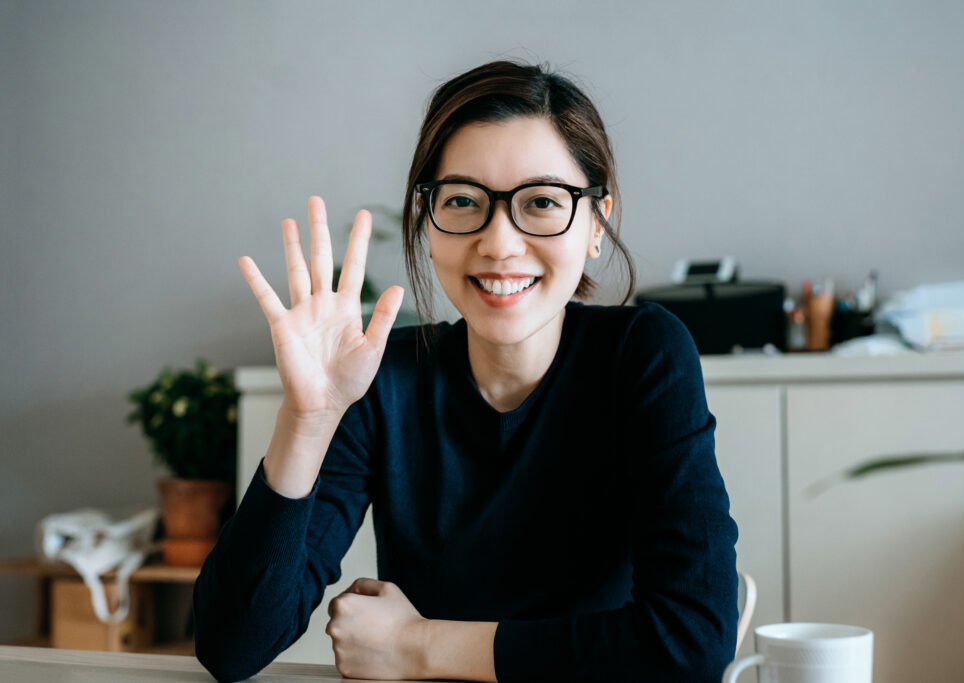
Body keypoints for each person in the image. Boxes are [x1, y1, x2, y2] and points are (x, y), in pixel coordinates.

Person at [193, 60, 738, 683]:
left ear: (597, 221)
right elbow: (232, 648)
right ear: (428, 222)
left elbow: (693, 642)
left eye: (540, 202)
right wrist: (307, 420)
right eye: (462, 201)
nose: (499, 242)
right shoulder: (383, 379)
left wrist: (421, 646)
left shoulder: (644, 354)